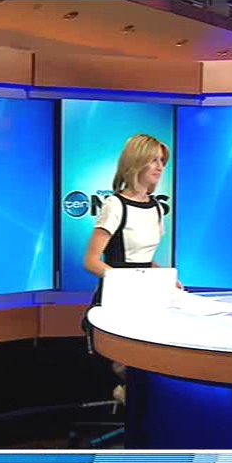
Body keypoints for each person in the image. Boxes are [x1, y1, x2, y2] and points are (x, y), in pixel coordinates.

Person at [83, 133, 172, 404]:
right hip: (119, 297)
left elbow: (145, 259)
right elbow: (91, 261)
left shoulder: (156, 207)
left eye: (162, 161)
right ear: (136, 163)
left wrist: (163, 277)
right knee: (131, 365)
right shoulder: (115, 205)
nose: (159, 167)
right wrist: (127, 281)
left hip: (147, 295)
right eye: (153, 160)